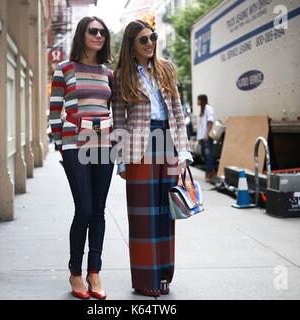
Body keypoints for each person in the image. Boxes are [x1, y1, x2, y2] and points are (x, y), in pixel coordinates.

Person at [112, 20, 193, 297]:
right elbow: (119, 120)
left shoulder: (166, 69)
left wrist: (183, 151)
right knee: (142, 218)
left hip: (167, 143)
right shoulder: (121, 74)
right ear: (132, 46)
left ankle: (164, 277)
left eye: (152, 37)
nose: (150, 43)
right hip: (138, 148)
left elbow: (178, 113)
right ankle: (146, 280)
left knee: (165, 213)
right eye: (143, 40)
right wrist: (120, 161)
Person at [49, 16, 114, 299]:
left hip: (103, 145)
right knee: (84, 208)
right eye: (93, 31)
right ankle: (76, 271)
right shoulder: (64, 69)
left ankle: (94, 271)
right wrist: (61, 146)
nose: (98, 35)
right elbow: (54, 112)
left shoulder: (108, 73)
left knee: (99, 211)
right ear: (81, 34)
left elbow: (112, 109)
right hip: (75, 144)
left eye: (102, 32)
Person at [196, 94, 216, 181]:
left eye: (198, 99)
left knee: (208, 155)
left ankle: (209, 174)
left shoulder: (208, 108)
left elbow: (210, 121)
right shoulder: (203, 110)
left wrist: (206, 134)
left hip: (206, 136)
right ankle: (211, 171)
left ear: (202, 100)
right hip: (202, 137)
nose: (197, 101)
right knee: (205, 155)